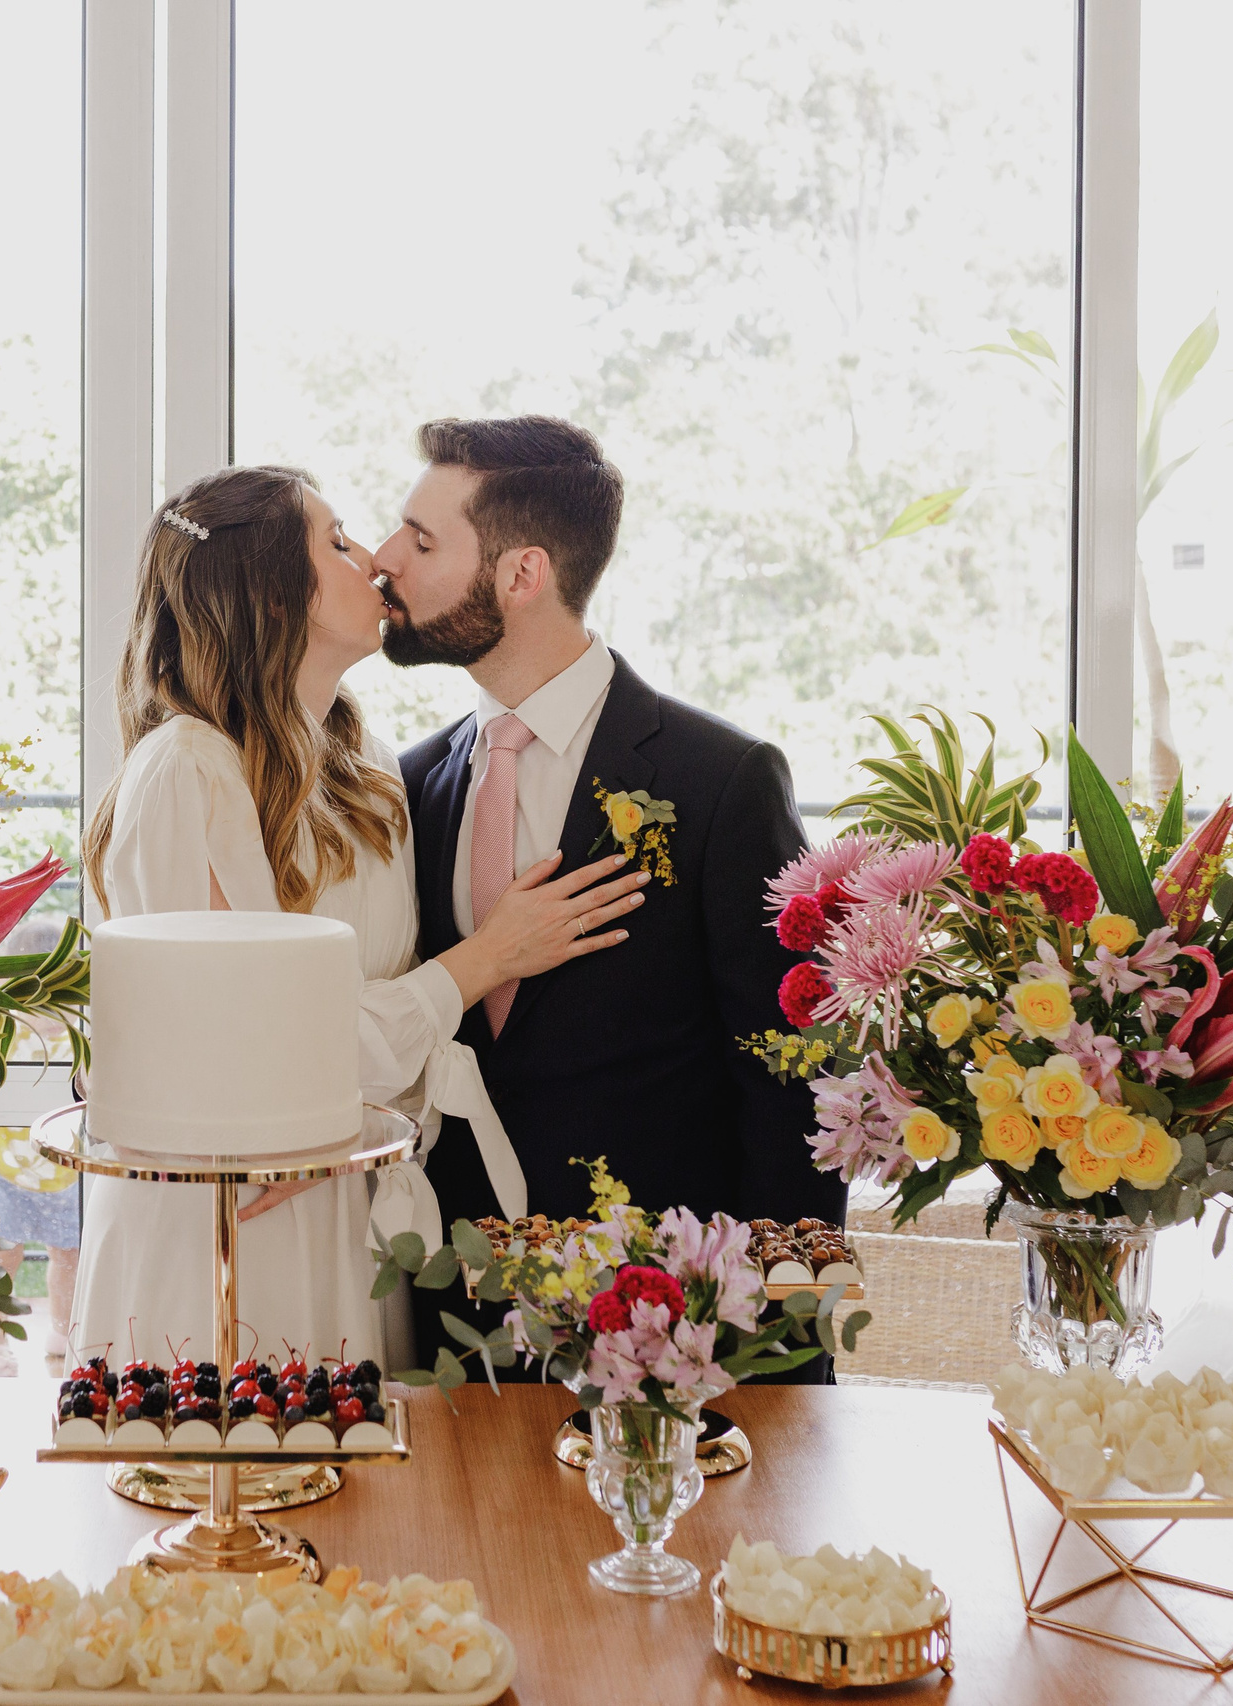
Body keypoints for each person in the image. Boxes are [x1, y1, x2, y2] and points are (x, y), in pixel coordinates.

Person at [69, 464, 648, 1370]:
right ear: (269, 598)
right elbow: (247, 1055)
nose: (374, 560)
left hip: (351, 1197)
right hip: (236, 1220)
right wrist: (485, 960)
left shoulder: (370, 767)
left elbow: (372, 1033)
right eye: (337, 541)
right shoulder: (189, 770)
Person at [375, 416, 843, 1371]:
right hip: (457, 1332)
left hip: (677, 1326)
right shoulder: (410, 785)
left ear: (522, 574)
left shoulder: (722, 779)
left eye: (422, 541)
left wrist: (793, 1350)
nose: (385, 560)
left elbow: (795, 1081)